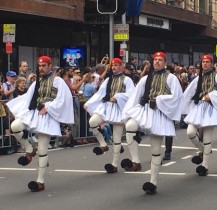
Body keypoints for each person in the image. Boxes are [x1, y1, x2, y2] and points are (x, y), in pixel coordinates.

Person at [6, 56, 74, 192]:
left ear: (49, 66)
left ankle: (40, 181)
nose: (41, 68)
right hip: (36, 112)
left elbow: (62, 99)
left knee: (43, 150)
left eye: (44, 65)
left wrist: (47, 107)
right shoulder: (37, 80)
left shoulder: (57, 80)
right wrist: (20, 111)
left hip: (49, 115)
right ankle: (30, 149)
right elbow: (29, 97)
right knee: (15, 126)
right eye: (40, 66)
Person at [121, 51, 183, 194]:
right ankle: (136, 162)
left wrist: (160, 100)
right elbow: (135, 96)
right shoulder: (145, 79)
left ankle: (153, 182)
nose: (157, 62)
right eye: (155, 60)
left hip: (160, 114)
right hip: (146, 110)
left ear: (165, 63)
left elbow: (176, 97)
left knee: (155, 150)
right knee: (130, 126)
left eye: (160, 60)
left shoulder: (171, 78)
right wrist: (126, 114)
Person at [84, 58, 135, 173]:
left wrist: (118, 97)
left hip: (119, 109)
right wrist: (89, 103)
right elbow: (100, 93)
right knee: (92, 122)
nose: (114, 67)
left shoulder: (127, 80)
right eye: (113, 65)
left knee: (117, 139)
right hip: (107, 108)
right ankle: (103, 144)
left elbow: (132, 95)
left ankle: (114, 164)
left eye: (116, 65)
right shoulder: (108, 79)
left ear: (122, 67)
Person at [182, 54, 217, 176]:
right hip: (199, 108)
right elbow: (188, 93)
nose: (205, 64)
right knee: (190, 132)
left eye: (207, 62)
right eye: (203, 62)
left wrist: (211, 96)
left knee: (207, 138)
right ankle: (203, 151)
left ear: (212, 63)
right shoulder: (198, 78)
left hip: (210, 109)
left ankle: (205, 166)